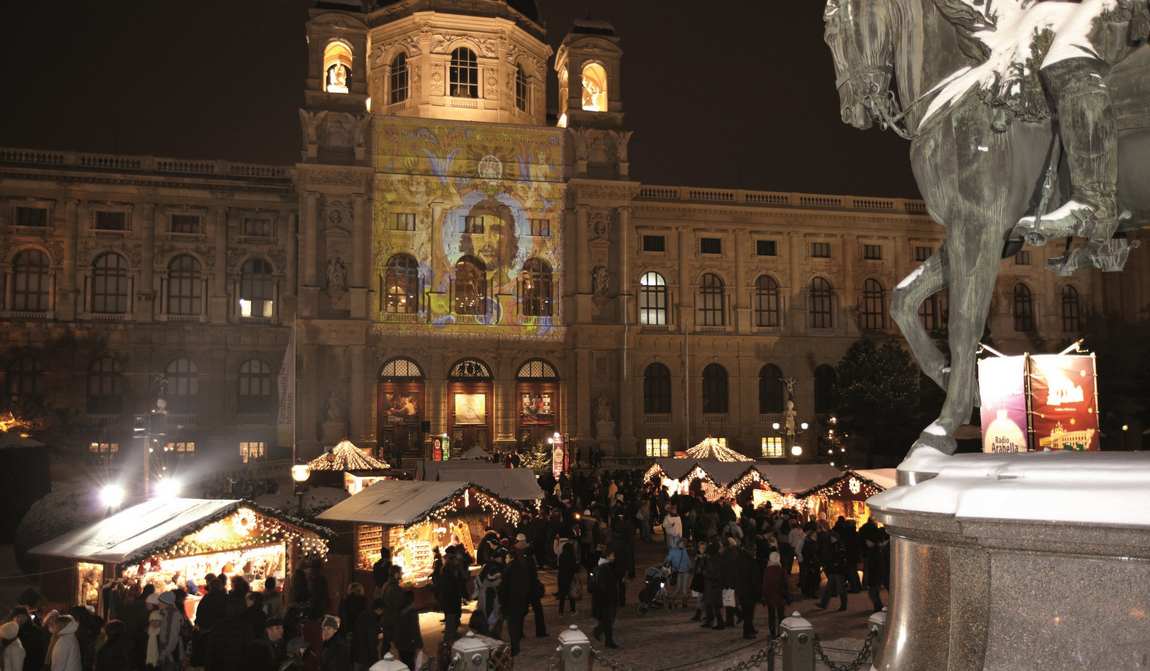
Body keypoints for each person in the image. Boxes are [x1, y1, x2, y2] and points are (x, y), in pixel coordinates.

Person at [499, 548, 532, 656]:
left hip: (511, 602)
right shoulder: (522, 568)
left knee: (512, 626)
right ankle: (516, 645)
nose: (505, 559)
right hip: (521, 600)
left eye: (507, 557)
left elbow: (504, 588)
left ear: (510, 558)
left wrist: (502, 602)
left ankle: (515, 647)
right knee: (517, 624)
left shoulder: (508, 570)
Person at [591, 547, 620, 649]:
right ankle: (607, 639)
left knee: (608, 620)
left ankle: (604, 637)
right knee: (608, 620)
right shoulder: (604, 568)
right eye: (612, 555)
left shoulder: (605, 566)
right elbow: (604, 586)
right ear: (608, 556)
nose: (614, 557)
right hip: (606, 600)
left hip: (605, 599)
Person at [734, 541, 761, 640]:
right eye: (754, 550)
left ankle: (750, 628)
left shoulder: (741, 559)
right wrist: (757, 589)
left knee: (749, 611)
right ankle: (747, 632)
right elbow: (753, 577)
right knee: (748, 612)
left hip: (743, 589)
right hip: (748, 590)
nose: (755, 552)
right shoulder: (749, 561)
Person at [817, 529, 849, 612]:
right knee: (829, 588)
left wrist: (836, 563)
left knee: (840, 588)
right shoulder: (832, 545)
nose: (831, 539)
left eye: (832, 537)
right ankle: (823, 604)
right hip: (833, 570)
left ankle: (843, 605)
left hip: (838, 570)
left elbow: (841, 557)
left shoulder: (839, 546)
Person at [761, 552, 790, 639]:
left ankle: (772, 633)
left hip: (770, 597)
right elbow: (785, 584)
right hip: (779, 596)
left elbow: (765, 585)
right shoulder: (781, 570)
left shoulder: (767, 570)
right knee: (781, 615)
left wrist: (764, 596)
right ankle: (781, 632)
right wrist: (786, 595)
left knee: (771, 615)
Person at [10, 606, 47, 671]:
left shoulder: (35, 631)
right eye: (16, 617)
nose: (19, 619)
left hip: (31, 665)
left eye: (22, 616)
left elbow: (40, 651)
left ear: (27, 617)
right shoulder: (11, 632)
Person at [392, 590, 422, 671]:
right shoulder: (412, 612)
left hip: (400, 643)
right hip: (409, 643)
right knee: (411, 664)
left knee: (404, 663)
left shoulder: (398, 611)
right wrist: (419, 644)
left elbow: (396, 627)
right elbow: (415, 629)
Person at [352, 600, 383, 671]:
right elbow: (371, 640)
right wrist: (375, 658)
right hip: (366, 656)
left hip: (357, 653)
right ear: (379, 609)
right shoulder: (372, 619)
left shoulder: (362, 614)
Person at [556, 540, 580, 615]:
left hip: (561, 577)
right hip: (570, 577)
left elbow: (559, 567)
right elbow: (574, 568)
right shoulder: (572, 557)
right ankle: (572, 610)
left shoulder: (561, 556)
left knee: (562, 595)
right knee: (571, 595)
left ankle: (561, 612)